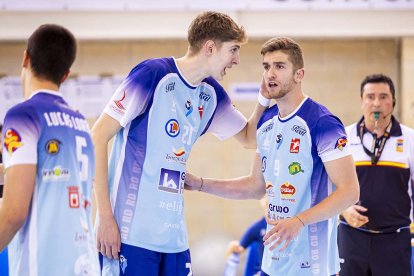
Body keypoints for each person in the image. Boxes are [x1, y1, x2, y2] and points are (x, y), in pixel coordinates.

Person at [92, 11, 268, 275]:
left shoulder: (210, 94)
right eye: (233, 50)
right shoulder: (152, 75)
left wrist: (265, 98)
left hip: (174, 239)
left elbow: (248, 138)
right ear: (210, 47)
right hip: (130, 233)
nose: (237, 60)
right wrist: (105, 217)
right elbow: (97, 136)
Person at [185, 37, 360, 276]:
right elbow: (255, 186)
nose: (270, 74)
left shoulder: (322, 122)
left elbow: (349, 192)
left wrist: (299, 221)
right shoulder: (266, 122)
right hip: (272, 265)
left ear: (299, 75)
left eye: (279, 66)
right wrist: (200, 184)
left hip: (312, 267)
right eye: (266, 66)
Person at [0, 24, 99, 275]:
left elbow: (13, 214)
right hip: (84, 263)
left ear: (25, 58)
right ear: (66, 74)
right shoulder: (81, 124)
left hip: (43, 264)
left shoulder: (23, 116)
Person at [338, 74, 414, 276]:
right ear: (362, 101)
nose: (377, 103)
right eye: (370, 97)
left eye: (383, 96)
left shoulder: (409, 139)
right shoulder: (343, 138)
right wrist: (344, 210)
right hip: (351, 238)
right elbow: (329, 185)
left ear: (393, 101)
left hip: (395, 241)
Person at [224, 198, 267, 276]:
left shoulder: (289, 225)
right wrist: (234, 248)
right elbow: (239, 248)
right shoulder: (259, 226)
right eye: (265, 197)